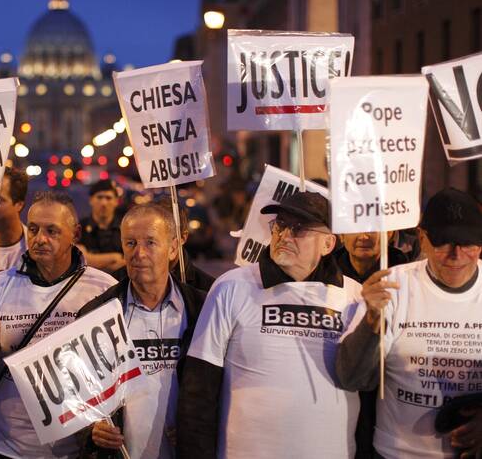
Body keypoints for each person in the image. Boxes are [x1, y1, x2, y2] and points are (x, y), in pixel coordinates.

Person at [177, 191, 362, 458]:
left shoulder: (354, 297)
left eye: (299, 229)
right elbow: (198, 391)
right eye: (280, 225)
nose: (285, 236)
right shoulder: (232, 286)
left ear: (328, 244)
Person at [0, 191, 117, 458]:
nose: (40, 239)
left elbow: (119, 372)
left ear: (75, 234)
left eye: (52, 231)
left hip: (75, 448)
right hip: (5, 445)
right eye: (33, 229)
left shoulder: (104, 289)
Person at [337, 188, 482, 458]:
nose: (457, 254)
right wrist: (371, 322)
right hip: (396, 452)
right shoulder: (391, 285)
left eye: (468, 243)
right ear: (422, 239)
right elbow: (352, 377)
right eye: (443, 243)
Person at [77, 203, 207, 459]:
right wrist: (92, 429)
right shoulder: (96, 313)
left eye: (150, 242)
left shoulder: (202, 309)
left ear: (172, 248)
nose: (139, 253)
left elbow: (220, 386)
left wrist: (199, 429)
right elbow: (79, 392)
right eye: (130, 243)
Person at [333, 230, 409, 458]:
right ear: (341, 233)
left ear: (391, 232)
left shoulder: (406, 278)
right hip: (335, 404)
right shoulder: (323, 275)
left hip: (390, 419)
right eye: (356, 227)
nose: (364, 235)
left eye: (374, 227)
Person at [78, 179, 125, 275]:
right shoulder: (79, 227)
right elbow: (81, 260)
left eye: (108, 198)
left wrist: (94, 261)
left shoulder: (126, 227)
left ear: (116, 201)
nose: (104, 203)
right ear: (91, 200)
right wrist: (115, 257)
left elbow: (129, 262)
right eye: (99, 197)